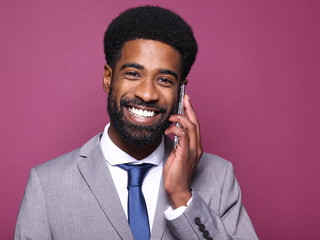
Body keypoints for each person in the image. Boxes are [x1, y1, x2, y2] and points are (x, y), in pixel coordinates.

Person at [15, 6, 258, 240]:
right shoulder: (47, 185)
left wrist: (182, 196)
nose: (147, 94)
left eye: (164, 79)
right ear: (108, 79)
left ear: (181, 91)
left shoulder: (219, 176)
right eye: (133, 74)